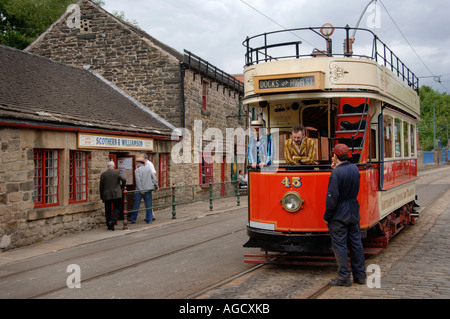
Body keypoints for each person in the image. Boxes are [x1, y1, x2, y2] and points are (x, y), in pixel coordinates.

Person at [323, 144, 366, 286]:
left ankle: (344, 277)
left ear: (335, 156)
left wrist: (327, 215)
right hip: (353, 209)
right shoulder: (354, 169)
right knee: (356, 244)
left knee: (340, 245)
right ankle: (360, 276)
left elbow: (332, 196)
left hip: (339, 213)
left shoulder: (336, 173)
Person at [99, 161, 126, 231]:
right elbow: (123, 179)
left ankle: (109, 225)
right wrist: (122, 186)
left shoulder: (103, 174)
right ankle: (112, 221)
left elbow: (101, 186)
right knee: (117, 208)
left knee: (107, 210)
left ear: (107, 166)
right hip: (116, 194)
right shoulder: (117, 172)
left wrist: (102, 196)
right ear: (113, 166)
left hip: (106, 195)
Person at [131, 157, 158, 224]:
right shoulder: (148, 169)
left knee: (136, 205)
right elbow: (154, 178)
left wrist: (141, 190)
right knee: (148, 205)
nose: (136, 164)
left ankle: (133, 219)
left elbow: (138, 181)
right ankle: (149, 219)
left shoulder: (137, 170)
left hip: (139, 191)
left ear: (140, 163)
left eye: (136, 162)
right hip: (148, 189)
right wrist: (156, 186)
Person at [140, 153, 157, 220]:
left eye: (140, 157)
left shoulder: (149, 164)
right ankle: (150, 215)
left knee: (148, 200)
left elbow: (154, 173)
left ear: (144, 158)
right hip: (145, 185)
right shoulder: (144, 165)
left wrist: (151, 182)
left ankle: (151, 216)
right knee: (146, 201)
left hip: (148, 185)